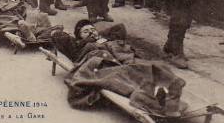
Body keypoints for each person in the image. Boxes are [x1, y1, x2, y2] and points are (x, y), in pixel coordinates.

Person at [51, 19, 186, 113]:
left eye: (93, 29)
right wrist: (88, 39)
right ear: (79, 37)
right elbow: (57, 36)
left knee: (152, 67)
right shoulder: (79, 46)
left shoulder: (106, 39)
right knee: (119, 75)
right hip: (102, 63)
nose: (91, 32)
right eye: (86, 31)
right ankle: (146, 97)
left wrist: (99, 35)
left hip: (124, 60)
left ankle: (167, 91)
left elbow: (120, 27)